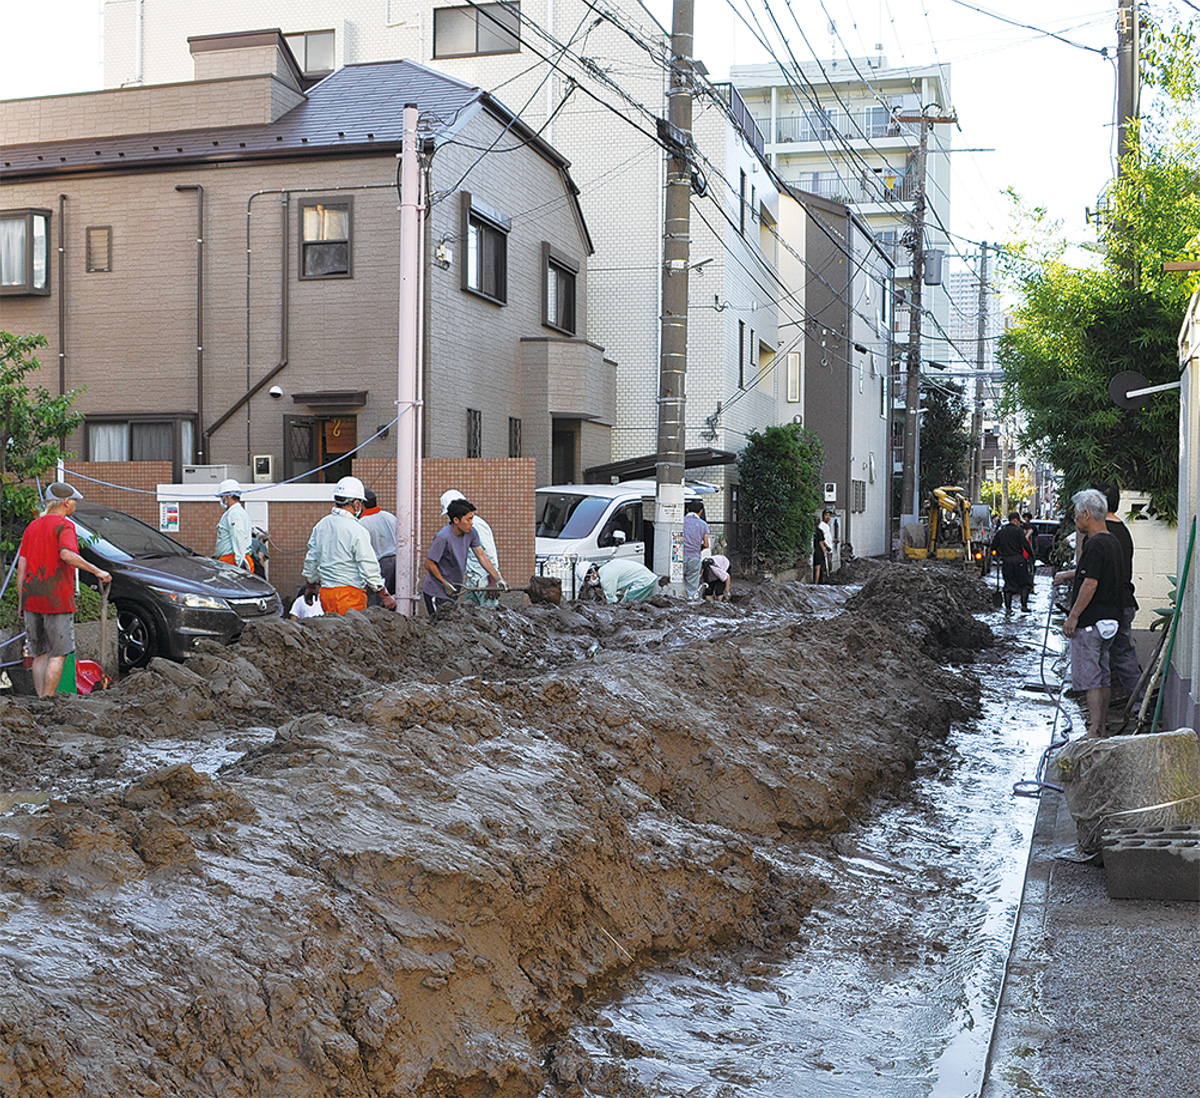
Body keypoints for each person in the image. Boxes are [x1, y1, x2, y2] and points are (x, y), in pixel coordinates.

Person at [16, 481, 112, 697]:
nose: (75, 505)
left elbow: (22, 566)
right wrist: (98, 571)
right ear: (66, 502)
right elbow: (67, 554)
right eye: (74, 501)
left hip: (32, 596)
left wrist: (22, 601)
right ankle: (48, 701)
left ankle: (40, 700)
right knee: (58, 654)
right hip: (56, 597)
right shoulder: (64, 525)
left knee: (39, 653)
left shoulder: (32, 526)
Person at [1054, 489, 1124, 738]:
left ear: (1086, 514)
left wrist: (1073, 616)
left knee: (1092, 679)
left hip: (1091, 622)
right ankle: (1101, 727)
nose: (1075, 520)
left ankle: (1093, 730)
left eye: (1076, 515)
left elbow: (1091, 583)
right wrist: (1068, 575)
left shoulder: (1094, 545)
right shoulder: (1113, 541)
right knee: (1103, 675)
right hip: (1111, 619)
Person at [301, 475, 396, 615]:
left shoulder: (322, 525)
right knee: (353, 634)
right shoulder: (357, 529)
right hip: (350, 596)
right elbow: (368, 567)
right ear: (356, 503)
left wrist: (310, 586)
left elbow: (311, 559)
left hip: (326, 594)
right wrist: (384, 595)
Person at [1091, 482, 1141, 711]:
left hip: (1107, 604)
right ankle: (1138, 703)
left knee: (1100, 658)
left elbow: (1092, 577)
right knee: (1124, 654)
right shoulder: (1124, 531)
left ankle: (1099, 713)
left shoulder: (1100, 533)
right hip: (1126, 601)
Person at [422, 497, 504, 615]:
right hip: (436, 590)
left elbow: (482, 556)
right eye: (468, 519)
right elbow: (429, 563)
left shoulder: (471, 533)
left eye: (472, 518)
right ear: (456, 520)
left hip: (454, 589)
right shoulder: (443, 537)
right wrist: (444, 583)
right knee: (440, 624)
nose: (471, 523)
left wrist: (497, 578)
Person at [439, 489, 501, 606]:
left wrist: (493, 580)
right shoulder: (461, 526)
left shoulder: (475, 525)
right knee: (471, 618)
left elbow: (488, 553)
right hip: (473, 581)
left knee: (491, 617)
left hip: (485, 580)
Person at [357, 487, 398, 607]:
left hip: (380, 566)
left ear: (362, 504)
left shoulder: (362, 523)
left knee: (375, 603)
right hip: (397, 564)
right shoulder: (389, 516)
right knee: (395, 599)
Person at [991, 511, 1035, 613]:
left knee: (1009, 584)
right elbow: (1025, 544)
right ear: (1015, 520)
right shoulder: (1018, 531)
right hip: (1019, 560)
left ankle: (1008, 608)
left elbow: (993, 546)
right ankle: (1024, 606)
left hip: (1006, 561)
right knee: (1025, 583)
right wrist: (1032, 556)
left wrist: (998, 554)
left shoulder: (1001, 532)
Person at [576, 558, 666, 604]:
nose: (590, 581)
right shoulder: (606, 568)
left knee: (627, 605)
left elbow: (611, 600)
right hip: (645, 578)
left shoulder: (606, 577)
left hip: (643, 581)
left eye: (588, 578)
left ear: (592, 571)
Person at [213, 478, 254, 572]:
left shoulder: (234, 514)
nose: (221, 500)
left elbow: (237, 537)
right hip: (232, 560)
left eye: (222, 497)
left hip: (232, 561)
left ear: (228, 496)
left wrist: (240, 563)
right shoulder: (237, 512)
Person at [682, 498, 710, 599]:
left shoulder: (681, 522)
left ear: (687, 510)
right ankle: (691, 605)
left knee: (677, 581)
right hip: (695, 557)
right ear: (701, 511)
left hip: (679, 556)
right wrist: (699, 547)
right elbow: (707, 544)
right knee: (692, 587)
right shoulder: (703, 525)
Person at [812, 509, 833, 584]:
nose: (828, 517)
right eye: (826, 515)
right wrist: (825, 550)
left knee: (820, 567)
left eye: (829, 515)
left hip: (824, 550)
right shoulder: (821, 528)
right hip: (822, 551)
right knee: (821, 568)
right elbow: (821, 541)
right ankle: (819, 582)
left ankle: (819, 582)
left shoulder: (826, 526)